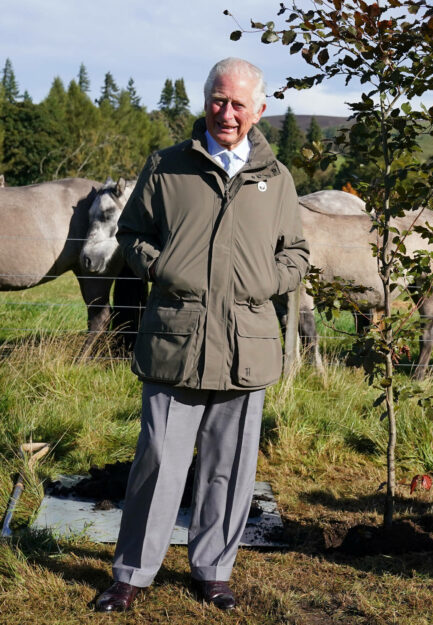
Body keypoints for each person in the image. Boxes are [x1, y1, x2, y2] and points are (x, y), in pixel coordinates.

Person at [94, 57, 309, 613]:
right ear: (205, 101)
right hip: (177, 339)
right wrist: (162, 267)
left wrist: (268, 280)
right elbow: (132, 232)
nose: (227, 112)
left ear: (260, 110)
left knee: (231, 466)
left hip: (247, 344)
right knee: (159, 460)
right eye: (218, 100)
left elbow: (296, 252)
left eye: (239, 103)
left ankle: (214, 570)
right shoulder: (167, 167)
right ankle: (133, 574)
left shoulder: (277, 178)